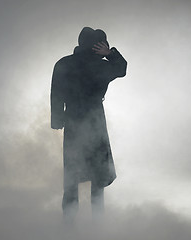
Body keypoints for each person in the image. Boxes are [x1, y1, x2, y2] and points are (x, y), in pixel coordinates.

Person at [50, 27, 127, 220]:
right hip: (95, 118)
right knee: (98, 171)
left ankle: (68, 221)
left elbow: (56, 94)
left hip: (73, 117)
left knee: (72, 171)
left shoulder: (63, 63)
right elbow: (122, 68)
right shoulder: (101, 66)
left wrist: (57, 120)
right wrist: (110, 54)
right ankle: (97, 220)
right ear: (98, 46)